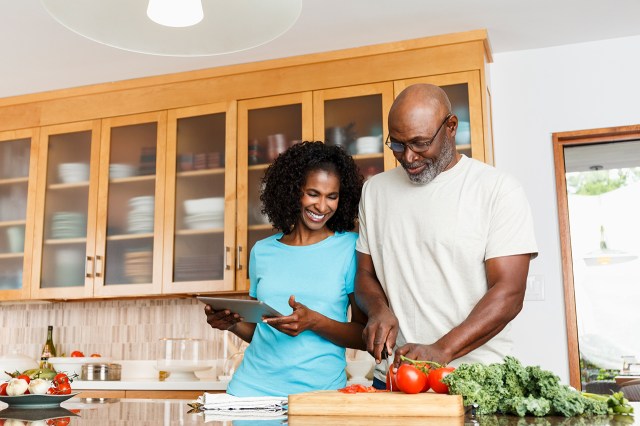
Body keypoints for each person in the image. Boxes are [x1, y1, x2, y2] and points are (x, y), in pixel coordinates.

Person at [354, 83, 538, 390]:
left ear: (451, 127)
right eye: (398, 145)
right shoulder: (375, 191)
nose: (409, 157)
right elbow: (364, 273)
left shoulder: (497, 190)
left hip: (475, 379)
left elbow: (509, 293)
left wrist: (442, 350)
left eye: (420, 143)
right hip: (396, 378)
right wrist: (377, 309)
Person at [204, 141, 366, 397]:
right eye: (313, 194)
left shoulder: (349, 248)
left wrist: (314, 322)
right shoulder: (262, 251)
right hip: (251, 391)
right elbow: (261, 330)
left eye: (331, 196)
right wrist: (231, 324)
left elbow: (364, 335)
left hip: (318, 396)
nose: (322, 207)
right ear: (293, 191)